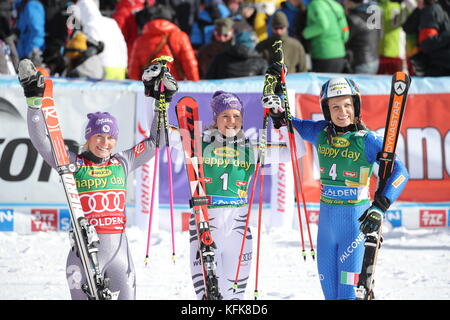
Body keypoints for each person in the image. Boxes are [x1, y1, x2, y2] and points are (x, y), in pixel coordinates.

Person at [142, 60, 305, 300]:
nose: (231, 121)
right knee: (207, 298)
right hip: (205, 224)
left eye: (236, 116)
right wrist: (152, 95)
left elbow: (296, 150)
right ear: (216, 118)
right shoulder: (197, 141)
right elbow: (158, 134)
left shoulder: (251, 148)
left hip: (239, 229)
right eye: (225, 116)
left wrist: (280, 116)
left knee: (234, 299)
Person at [17, 58, 177, 299]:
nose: (105, 142)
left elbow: (157, 141)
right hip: (83, 255)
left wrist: (161, 104)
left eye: (110, 137)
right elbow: (42, 143)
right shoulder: (72, 163)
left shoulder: (122, 161)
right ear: (88, 137)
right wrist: (33, 103)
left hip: (119, 256)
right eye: (99, 136)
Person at [262, 71, 409, 300]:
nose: (342, 112)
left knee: (348, 296)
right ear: (327, 111)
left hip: (355, 226)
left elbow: (401, 173)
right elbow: (290, 123)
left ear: (356, 106)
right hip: (326, 229)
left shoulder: (367, 139)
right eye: (335, 107)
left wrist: (380, 207)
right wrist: (277, 108)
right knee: (330, 296)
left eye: (347, 105)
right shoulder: (320, 132)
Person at [128, 3, 199, 81]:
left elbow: (133, 72)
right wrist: (194, 84)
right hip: (175, 86)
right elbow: (190, 65)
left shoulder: (139, 41)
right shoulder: (181, 37)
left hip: (150, 88)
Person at [75, 0, 128, 80]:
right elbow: (123, 46)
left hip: (104, 68)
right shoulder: (111, 22)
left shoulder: (89, 26)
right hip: (120, 68)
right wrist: (125, 65)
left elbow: (94, 49)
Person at [302, 0, 350, 73]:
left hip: (323, 53)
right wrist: (339, 43)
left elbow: (322, 25)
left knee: (322, 83)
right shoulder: (336, 5)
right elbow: (345, 29)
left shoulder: (316, 4)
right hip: (340, 54)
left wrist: (305, 33)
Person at [344, 0, 381, 74]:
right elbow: (379, 35)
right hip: (374, 59)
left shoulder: (352, 18)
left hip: (360, 62)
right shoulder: (374, 13)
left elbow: (345, 39)